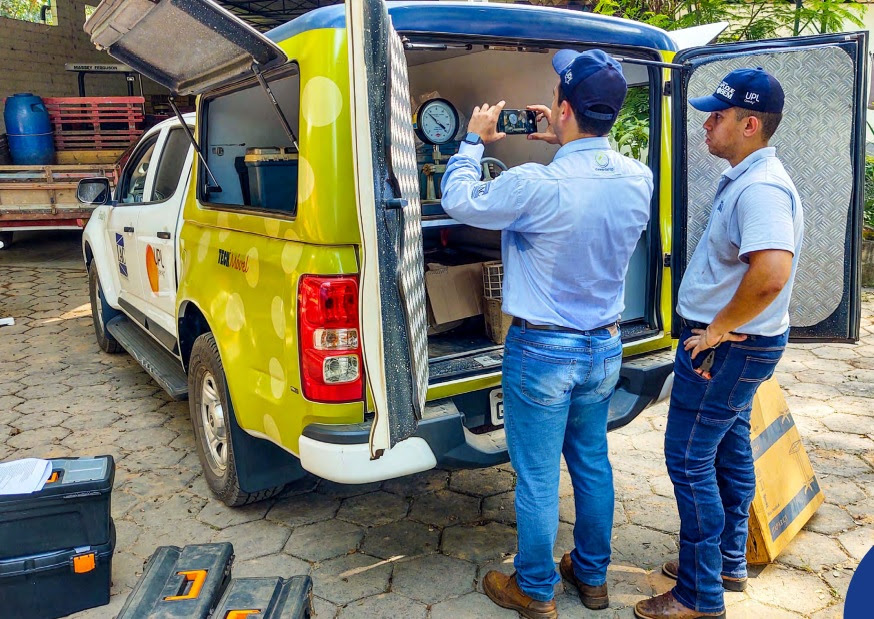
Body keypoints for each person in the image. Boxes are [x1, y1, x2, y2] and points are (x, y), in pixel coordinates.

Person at [440, 49, 653, 618]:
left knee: (536, 476)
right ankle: (592, 577)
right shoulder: (639, 177)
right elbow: (589, 180)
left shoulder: (535, 184)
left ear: (562, 109)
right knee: (591, 463)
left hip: (542, 350)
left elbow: (458, 200)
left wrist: (474, 139)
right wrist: (565, 141)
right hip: (604, 347)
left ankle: (534, 590)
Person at [634, 68, 803, 619]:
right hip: (736, 347)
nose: (706, 123)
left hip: (726, 350)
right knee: (728, 451)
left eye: (719, 115)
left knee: (688, 461)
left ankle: (698, 596)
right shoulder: (747, 178)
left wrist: (717, 329)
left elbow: (772, 273)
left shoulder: (761, 189)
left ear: (750, 124)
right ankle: (727, 561)